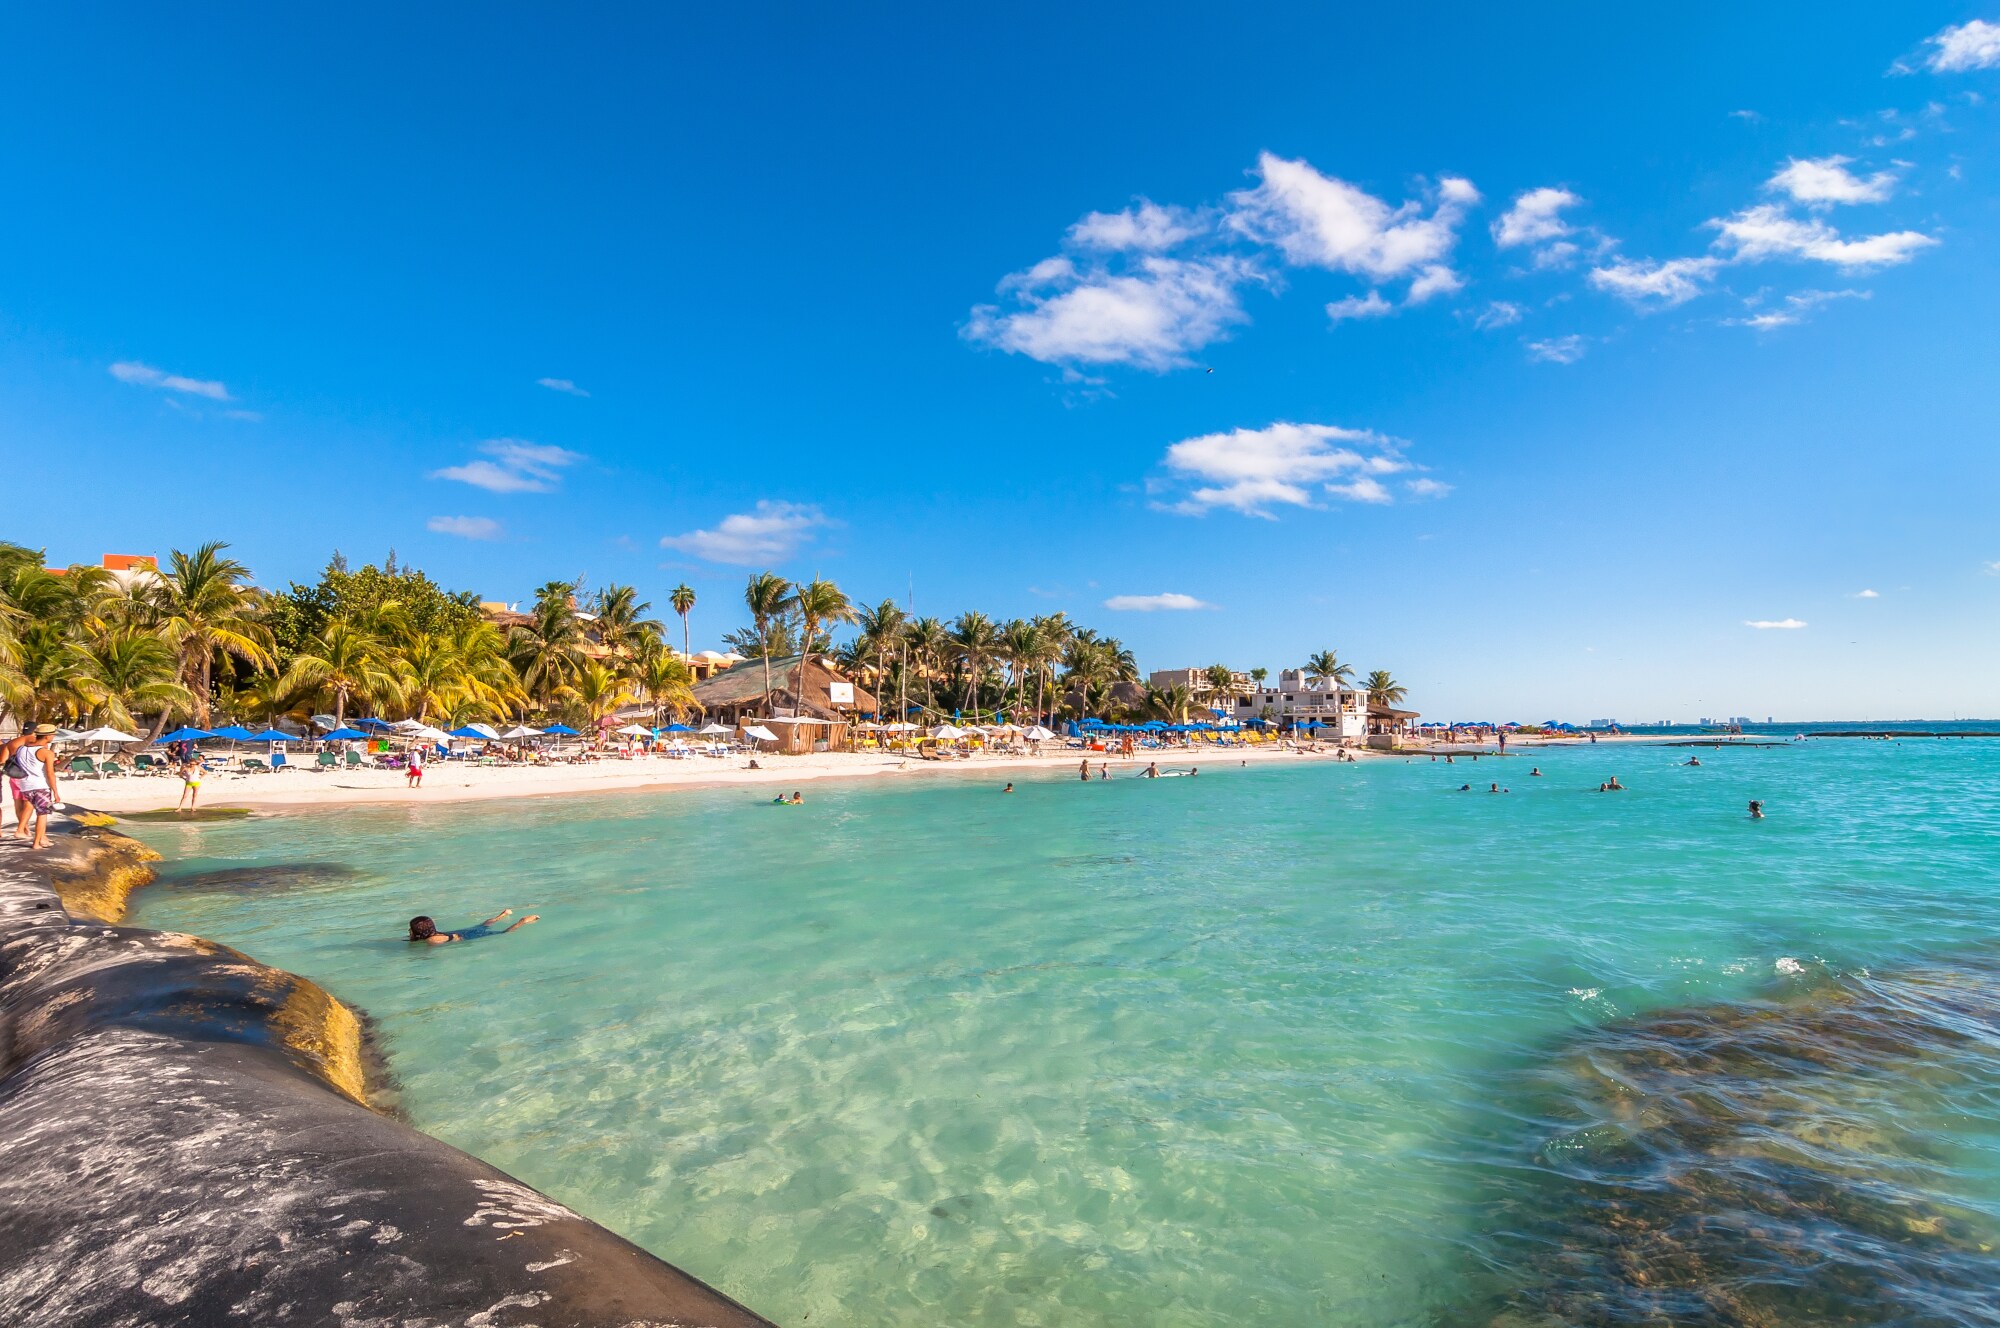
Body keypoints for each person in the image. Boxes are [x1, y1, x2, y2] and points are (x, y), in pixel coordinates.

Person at [6, 725, 62, 850]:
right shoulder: (47, 753)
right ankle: (37, 843)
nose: (53, 737)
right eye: (53, 735)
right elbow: (50, 773)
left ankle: (42, 839)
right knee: (42, 814)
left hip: (25, 786)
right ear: (47, 736)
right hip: (40, 786)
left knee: (33, 809)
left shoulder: (21, 749)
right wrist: (55, 792)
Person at [408, 909, 540, 945]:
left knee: (504, 933)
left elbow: (452, 937)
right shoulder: (431, 936)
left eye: (411, 929)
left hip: (465, 937)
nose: (409, 931)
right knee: (483, 925)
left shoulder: (431, 940)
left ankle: (523, 921)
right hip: (463, 933)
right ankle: (503, 914)